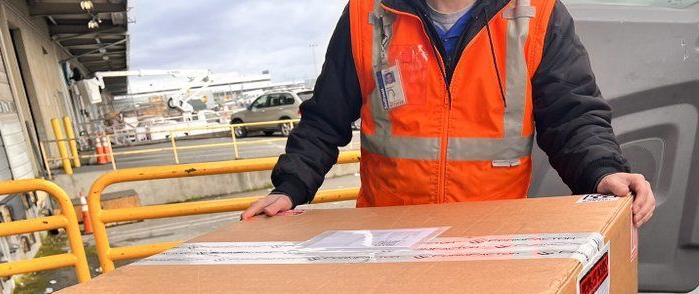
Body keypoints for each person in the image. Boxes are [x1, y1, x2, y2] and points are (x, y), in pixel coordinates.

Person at [242, 0, 655, 227]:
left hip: (491, 239)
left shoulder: (537, 13)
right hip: (389, 239)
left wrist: (603, 171)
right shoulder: (367, 13)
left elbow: (572, 117)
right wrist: (290, 188)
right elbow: (324, 118)